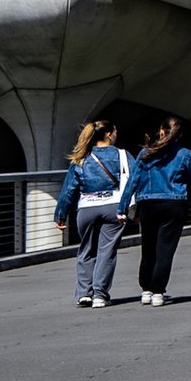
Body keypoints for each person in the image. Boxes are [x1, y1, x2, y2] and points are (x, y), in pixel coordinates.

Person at [56, 118, 135, 307]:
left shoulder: (82, 157)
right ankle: (100, 294)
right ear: (108, 134)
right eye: (115, 132)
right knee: (106, 251)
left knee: (86, 249)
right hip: (113, 206)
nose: (116, 135)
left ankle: (84, 293)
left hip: (86, 207)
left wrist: (60, 214)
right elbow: (134, 180)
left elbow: (68, 189)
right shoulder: (123, 155)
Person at [129, 117, 191, 306]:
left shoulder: (146, 152)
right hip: (174, 203)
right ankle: (158, 291)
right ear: (180, 135)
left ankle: (146, 289)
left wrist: (123, 207)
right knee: (165, 250)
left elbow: (133, 181)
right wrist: (187, 201)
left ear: (161, 132)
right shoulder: (187, 154)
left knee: (148, 247)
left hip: (148, 203)